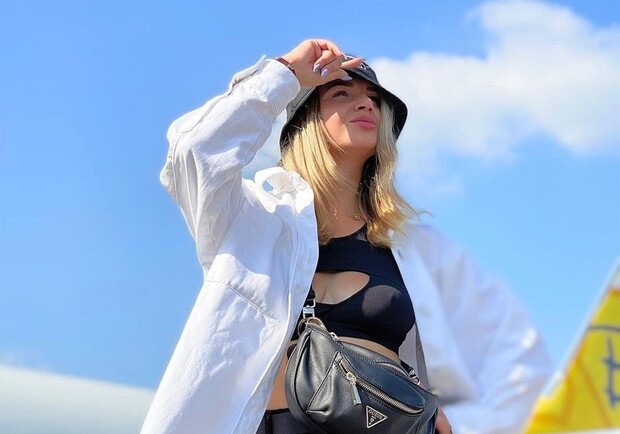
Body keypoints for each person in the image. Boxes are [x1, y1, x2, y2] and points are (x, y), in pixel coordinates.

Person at [141, 39, 552, 434]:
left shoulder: (406, 248)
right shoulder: (254, 221)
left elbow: (486, 359)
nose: (366, 103)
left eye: (374, 99)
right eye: (341, 93)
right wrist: (287, 73)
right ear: (305, 121)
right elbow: (196, 150)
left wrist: (436, 408)